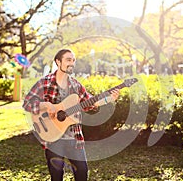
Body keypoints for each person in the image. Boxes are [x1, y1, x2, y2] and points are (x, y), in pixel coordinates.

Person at [22, 49, 120, 181]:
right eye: (68, 59)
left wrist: (109, 99)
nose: (72, 63)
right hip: (53, 138)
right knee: (56, 177)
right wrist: (45, 105)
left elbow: (91, 103)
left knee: (82, 173)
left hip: (75, 139)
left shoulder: (76, 85)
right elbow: (27, 103)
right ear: (58, 62)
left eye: (73, 60)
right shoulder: (45, 83)